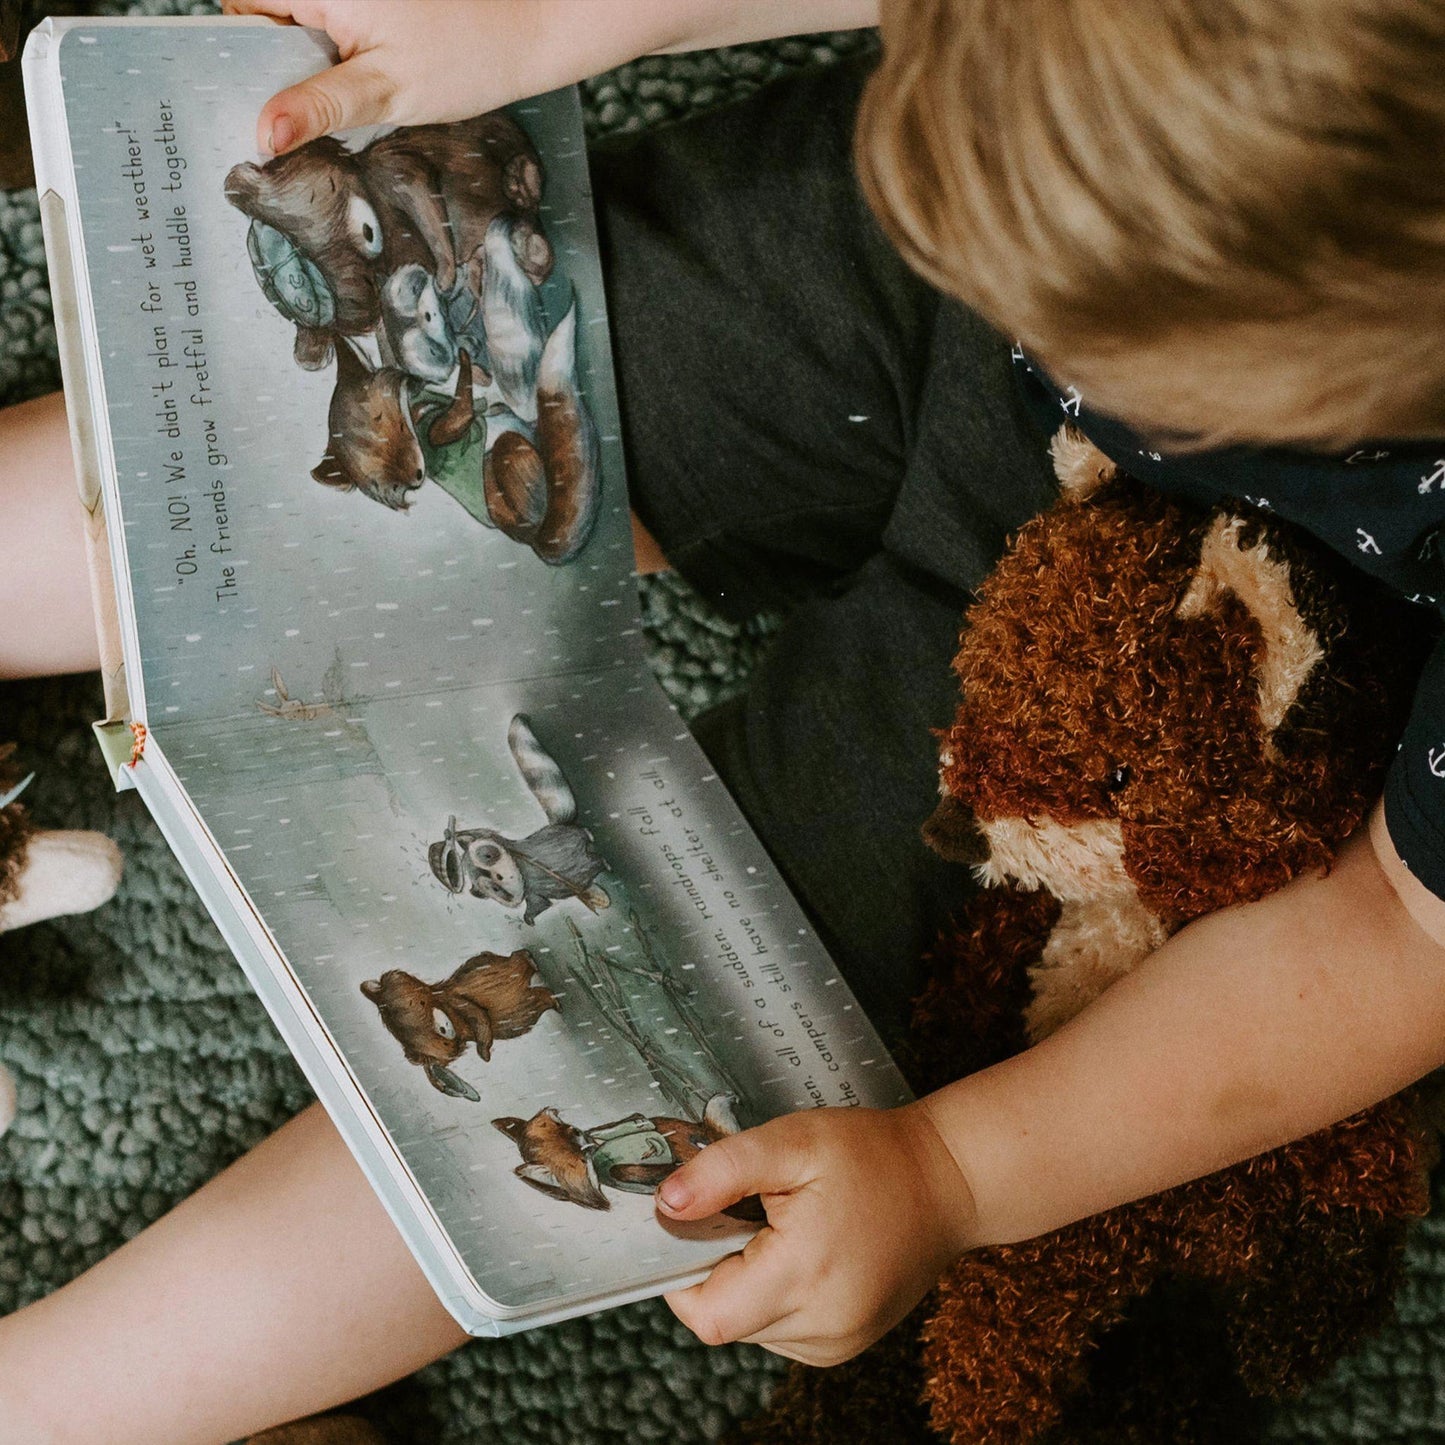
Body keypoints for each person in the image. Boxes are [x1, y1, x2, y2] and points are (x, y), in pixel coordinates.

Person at [3, 0, 1445, 1439]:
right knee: (462, 388)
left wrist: (952, 1172)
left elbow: (1395, 936)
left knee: (686, 1015)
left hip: (1247, 607)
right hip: (1041, 191)